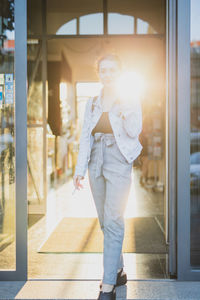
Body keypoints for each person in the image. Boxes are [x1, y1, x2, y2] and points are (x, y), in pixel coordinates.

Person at [73, 53, 143, 300]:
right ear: (99, 74)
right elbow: (85, 137)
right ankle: (119, 269)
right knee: (105, 221)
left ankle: (108, 285)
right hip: (95, 161)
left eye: (113, 70)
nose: (108, 74)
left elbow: (134, 131)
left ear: (119, 73)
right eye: (104, 70)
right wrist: (79, 170)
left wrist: (124, 109)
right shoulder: (91, 103)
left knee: (114, 220)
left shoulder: (130, 99)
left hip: (118, 160)